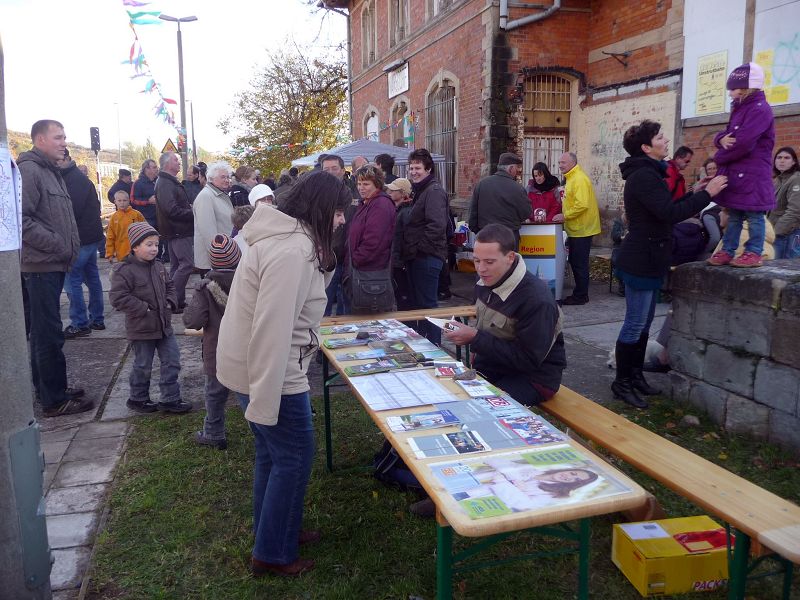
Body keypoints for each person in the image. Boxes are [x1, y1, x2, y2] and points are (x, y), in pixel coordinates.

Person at [216, 171, 349, 577]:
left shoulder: (289, 238)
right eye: (339, 212)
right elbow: (271, 328)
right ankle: (272, 553)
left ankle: (274, 530)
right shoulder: (293, 250)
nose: (342, 221)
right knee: (293, 457)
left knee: (273, 456)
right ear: (321, 209)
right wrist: (266, 397)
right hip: (272, 372)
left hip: (256, 365)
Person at [613, 120, 727, 409]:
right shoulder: (644, 176)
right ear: (646, 147)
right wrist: (707, 195)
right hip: (641, 259)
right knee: (635, 323)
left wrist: (695, 192)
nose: (665, 141)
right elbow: (669, 213)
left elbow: (667, 207)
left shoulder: (651, 172)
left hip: (651, 257)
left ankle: (635, 376)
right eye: (660, 138)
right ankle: (622, 383)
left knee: (644, 323)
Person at [444, 223, 566, 405]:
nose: (481, 269)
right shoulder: (486, 280)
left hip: (533, 378)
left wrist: (474, 338)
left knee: (482, 407)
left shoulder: (536, 299)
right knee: (448, 393)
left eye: (489, 262)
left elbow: (528, 360)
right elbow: (488, 330)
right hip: (496, 366)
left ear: (510, 258)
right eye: (476, 260)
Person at [18, 119, 92, 416]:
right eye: (58, 137)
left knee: (44, 331)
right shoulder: (30, 170)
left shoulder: (50, 171)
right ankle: (54, 400)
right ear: (40, 140)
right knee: (47, 332)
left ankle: (50, 388)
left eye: (64, 137)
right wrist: (57, 244)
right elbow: (21, 220)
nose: (64, 142)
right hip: (41, 264)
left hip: (52, 262)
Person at [110, 222, 191, 414]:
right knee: (143, 365)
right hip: (141, 328)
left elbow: (170, 286)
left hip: (164, 326)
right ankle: (138, 398)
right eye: (149, 244)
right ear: (135, 246)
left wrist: (170, 302)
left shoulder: (159, 267)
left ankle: (170, 398)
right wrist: (143, 308)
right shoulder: (124, 270)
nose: (154, 248)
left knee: (172, 361)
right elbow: (118, 298)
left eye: (156, 244)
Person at [707, 62, 776, 268]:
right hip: (738, 173)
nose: (730, 93)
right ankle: (728, 250)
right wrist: (720, 139)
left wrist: (719, 157)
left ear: (747, 88)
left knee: (755, 215)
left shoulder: (760, 109)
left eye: (733, 88)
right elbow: (729, 135)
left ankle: (754, 252)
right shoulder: (740, 107)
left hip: (753, 174)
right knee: (734, 214)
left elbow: (744, 142)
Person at [183, 234, 242, 450]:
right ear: (238, 257)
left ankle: (214, 432)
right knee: (250, 392)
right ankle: (263, 429)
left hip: (217, 351)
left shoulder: (206, 288)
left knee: (215, 394)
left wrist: (196, 297)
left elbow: (193, 322)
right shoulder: (250, 280)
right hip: (246, 349)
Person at [401, 148, 449, 344]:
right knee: (420, 305)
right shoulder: (421, 190)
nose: (413, 172)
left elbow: (436, 225)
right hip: (418, 256)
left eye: (418, 168)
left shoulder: (434, 191)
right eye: (411, 168)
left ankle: (434, 344)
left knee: (428, 305)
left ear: (428, 169)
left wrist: (419, 249)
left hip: (427, 257)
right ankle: (424, 343)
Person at [59, 149, 105, 337]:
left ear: (67, 159)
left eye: (58, 159)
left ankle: (80, 323)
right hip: (90, 237)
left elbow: (71, 212)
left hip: (81, 239)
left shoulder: (72, 180)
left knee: (72, 281)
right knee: (92, 278)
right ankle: (97, 319)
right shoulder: (77, 178)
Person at [347, 164, 396, 313]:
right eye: (359, 184)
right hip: (363, 273)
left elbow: (374, 242)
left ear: (377, 184)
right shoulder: (367, 203)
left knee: (370, 319)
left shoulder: (380, 204)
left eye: (366, 184)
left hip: (371, 275)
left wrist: (356, 259)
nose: (361, 188)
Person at [558, 152, 601, 305]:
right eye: (559, 162)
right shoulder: (571, 178)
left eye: (563, 162)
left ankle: (581, 295)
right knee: (576, 261)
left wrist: (565, 216)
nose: (560, 165)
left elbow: (582, 205)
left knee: (579, 263)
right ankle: (580, 293)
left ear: (573, 163)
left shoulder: (579, 179)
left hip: (582, 229)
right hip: (577, 228)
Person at [154, 152, 194, 311]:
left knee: (177, 266)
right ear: (167, 164)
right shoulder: (165, 183)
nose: (179, 162)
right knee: (187, 264)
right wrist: (192, 212)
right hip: (178, 230)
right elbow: (171, 209)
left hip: (174, 229)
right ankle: (171, 299)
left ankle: (177, 300)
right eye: (176, 160)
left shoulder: (167, 181)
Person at [468, 152, 531, 248]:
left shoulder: (481, 185)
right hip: (508, 238)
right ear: (511, 168)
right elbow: (526, 213)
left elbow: (473, 215)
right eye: (516, 168)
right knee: (507, 258)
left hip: (486, 236)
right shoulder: (517, 188)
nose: (517, 171)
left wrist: (480, 232)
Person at [322, 154, 357, 316]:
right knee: (323, 305)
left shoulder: (355, 192)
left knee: (347, 307)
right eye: (326, 169)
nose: (330, 172)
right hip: (327, 257)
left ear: (343, 171)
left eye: (334, 168)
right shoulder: (316, 195)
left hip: (349, 258)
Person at [194, 161, 235, 272]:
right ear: (211, 178)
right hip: (215, 261)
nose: (227, 180)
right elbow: (208, 233)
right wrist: (219, 258)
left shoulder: (219, 194)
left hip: (224, 255)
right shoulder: (206, 197)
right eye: (223, 177)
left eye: (228, 177)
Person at [132, 159, 167, 261]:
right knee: (148, 240)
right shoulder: (138, 183)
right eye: (154, 167)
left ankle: (158, 260)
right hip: (146, 217)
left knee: (159, 240)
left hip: (160, 216)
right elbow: (133, 200)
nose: (157, 169)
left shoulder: (159, 181)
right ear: (146, 169)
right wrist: (148, 201)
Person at [388, 178, 414, 310]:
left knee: (404, 298)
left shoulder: (406, 212)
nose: (390, 192)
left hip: (401, 262)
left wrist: (402, 261)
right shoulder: (397, 210)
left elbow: (407, 239)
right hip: (396, 259)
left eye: (394, 190)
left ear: (403, 193)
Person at [770, 146, 800, 259]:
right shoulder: (778, 180)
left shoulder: (796, 179)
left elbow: (795, 211)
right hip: (775, 233)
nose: (782, 160)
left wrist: (777, 231)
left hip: (788, 234)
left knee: (784, 267)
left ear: (793, 162)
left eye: (787, 158)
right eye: (779, 157)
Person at [106, 191, 145, 263]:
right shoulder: (114, 218)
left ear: (129, 201)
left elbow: (146, 230)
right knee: (124, 268)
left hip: (137, 251)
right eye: (119, 201)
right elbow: (110, 237)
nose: (122, 203)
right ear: (115, 202)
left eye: (124, 200)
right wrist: (110, 254)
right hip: (121, 252)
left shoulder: (137, 214)